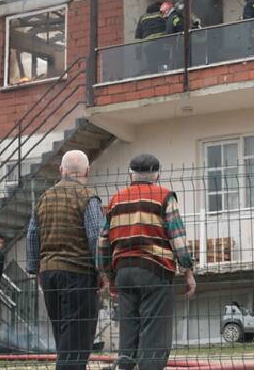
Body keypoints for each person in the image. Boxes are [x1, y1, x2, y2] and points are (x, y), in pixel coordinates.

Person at [98, 154, 196, 370]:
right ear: (157, 174)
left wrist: (108, 274)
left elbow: (103, 241)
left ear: (130, 174)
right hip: (155, 270)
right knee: (155, 334)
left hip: (123, 272)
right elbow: (177, 237)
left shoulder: (116, 200)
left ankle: (124, 366)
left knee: (129, 332)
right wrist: (187, 270)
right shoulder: (164, 197)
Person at [26, 150, 105, 370]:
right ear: (87, 171)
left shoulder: (44, 198)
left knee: (64, 336)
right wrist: (102, 271)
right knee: (77, 340)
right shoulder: (88, 196)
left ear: (61, 170)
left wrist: (36, 270)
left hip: (50, 275)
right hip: (79, 273)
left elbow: (32, 235)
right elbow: (94, 236)